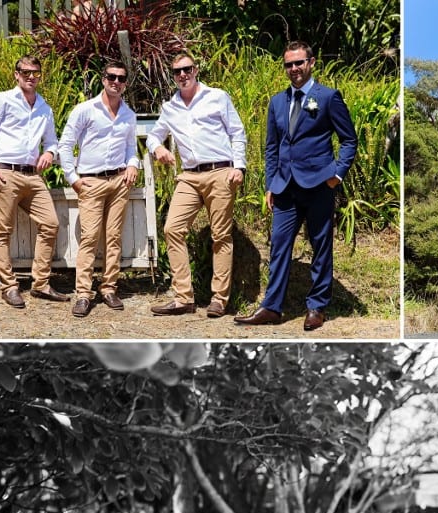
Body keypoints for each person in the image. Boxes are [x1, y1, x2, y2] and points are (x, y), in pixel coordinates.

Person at [234, 41, 357, 332]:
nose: (294, 69)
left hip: (318, 186)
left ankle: (316, 307)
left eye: (299, 63)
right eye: (289, 64)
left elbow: (349, 140)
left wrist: (337, 174)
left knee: (320, 247)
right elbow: (272, 147)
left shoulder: (328, 97)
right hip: (285, 188)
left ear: (311, 63)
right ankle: (271, 308)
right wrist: (269, 185)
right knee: (278, 247)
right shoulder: (277, 101)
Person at [146, 52, 246, 318]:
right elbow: (153, 136)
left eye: (187, 69)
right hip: (189, 176)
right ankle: (183, 298)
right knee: (172, 229)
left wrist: (239, 167)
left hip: (220, 171)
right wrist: (158, 149)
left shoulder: (217, 97)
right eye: (177, 71)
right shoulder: (170, 107)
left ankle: (219, 299)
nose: (183, 75)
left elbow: (237, 132)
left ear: (196, 69)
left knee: (221, 236)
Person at [0, 55, 66, 309]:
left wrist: (49, 153)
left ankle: (40, 285)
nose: (30, 76)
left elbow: (51, 142)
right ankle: (9, 286)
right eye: (25, 72)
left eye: (35, 72)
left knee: (50, 224)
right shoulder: (2, 100)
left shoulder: (44, 108)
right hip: (6, 174)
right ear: (16, 74)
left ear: (40, 75)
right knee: (3, 231)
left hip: (33, 177)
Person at [58, 59, 140, 319]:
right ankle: (83, 293)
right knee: (90, 238)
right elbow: (65, 144)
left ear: (125, 84)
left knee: (114, 237)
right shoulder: (85, 110)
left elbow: (131, 148)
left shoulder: (129, 115)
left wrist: (133, 165)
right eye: (111, 77)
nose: (116, 82)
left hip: (118, 182)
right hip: (90, 181)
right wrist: (73, 178)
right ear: (103, 79)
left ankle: (109, 288)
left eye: (121, 78)